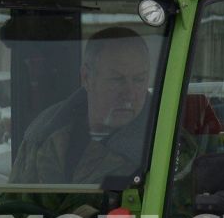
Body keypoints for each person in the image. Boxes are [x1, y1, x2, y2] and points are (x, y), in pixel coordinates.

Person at [10, 26, 153, 186]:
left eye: (139, 80)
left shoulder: (166, 145)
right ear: (87, 78)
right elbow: (14, 204)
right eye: (117, 80)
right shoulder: (44, 134)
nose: (130, 94)